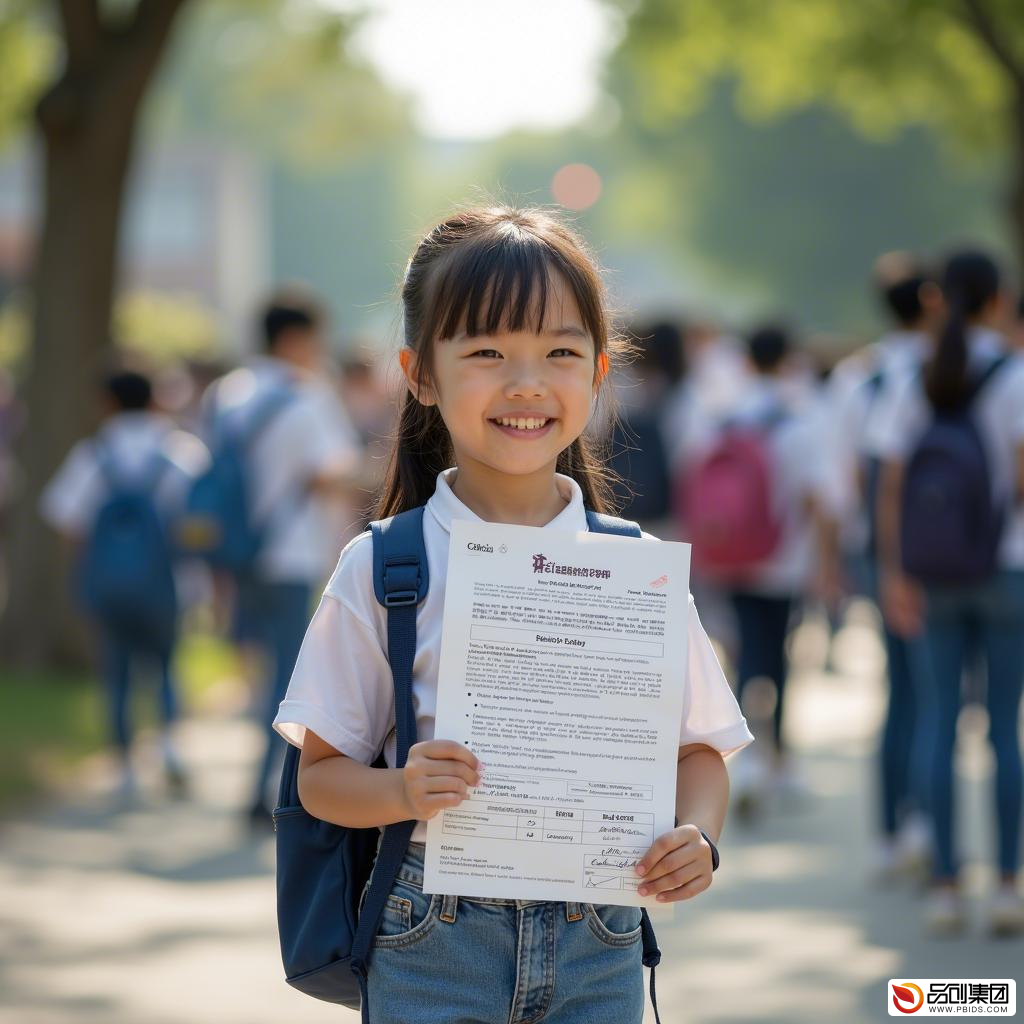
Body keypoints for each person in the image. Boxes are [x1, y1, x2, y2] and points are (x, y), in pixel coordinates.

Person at [272, 206, 753, 1023]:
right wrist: (401, 791)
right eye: (488, 351)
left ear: (600, 373)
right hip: (430, 937)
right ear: (420, 373)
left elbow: (701, 748)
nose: (527, 383)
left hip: (598, 936)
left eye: (560, 353)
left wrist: (698, 839)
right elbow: (319, 781)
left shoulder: (635, 566)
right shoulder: (388, 565)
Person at [873, 249, 1024, 936]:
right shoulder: (1015, 375)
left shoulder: (915, 374)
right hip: (1007, 568)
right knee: (1002, 729)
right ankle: (1005, 886)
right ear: (999, 300)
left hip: (931, 571)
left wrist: (895, 572)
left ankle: (942, 882)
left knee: (936, 721)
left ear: (937, 300)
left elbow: (893, 485)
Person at [202, 289, 363, 827]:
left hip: (238, 549)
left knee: (258, 669)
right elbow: (331, 471)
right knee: (292, 677)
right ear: (295, 338)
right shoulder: (306, 394)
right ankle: (270, 788)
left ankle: (263, 778)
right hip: (290, 553)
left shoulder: (228, 392)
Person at [40, 368, 208, 800]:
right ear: (154, 400)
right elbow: (199, 519)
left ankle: (125, 768)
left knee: (117, 671)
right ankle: (169, 745)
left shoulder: (93, 453)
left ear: (106, 403)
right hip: (169, 582)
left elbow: (66, 520)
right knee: (166, 665)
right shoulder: (180, 451)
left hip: (110, 586)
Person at [826, 254, 937, 879]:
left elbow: (843, 477)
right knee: (940, 693)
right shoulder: (961, 366)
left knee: (899, 689)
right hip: (960, 553)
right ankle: (928, 822)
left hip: (883, 549)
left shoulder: (859, 376)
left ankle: (891, 831)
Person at [702, 325, 838, 815]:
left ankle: (749, 756)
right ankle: (777, 757)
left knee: (743, 653)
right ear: (787, 360)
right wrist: (828, 561)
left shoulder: (728, 417)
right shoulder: (799, 418)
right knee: (779, 657)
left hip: (733, 556)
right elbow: (818, 498)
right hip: (784, 560)